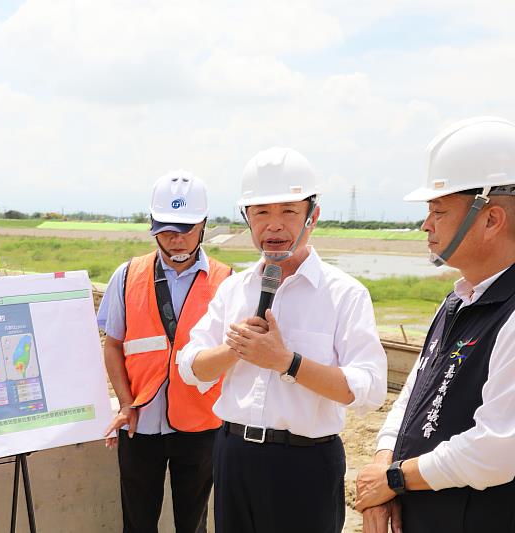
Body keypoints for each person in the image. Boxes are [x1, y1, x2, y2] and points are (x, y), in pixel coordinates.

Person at [177, 147, 387, 533]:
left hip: (305, 462)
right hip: (232, 454)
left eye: (289, 211)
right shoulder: (233, 289)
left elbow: (370, 390)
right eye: (261, 213)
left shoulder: (345, 294)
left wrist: (287, 362)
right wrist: (234, 351)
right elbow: (190, 366)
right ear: (247, 218)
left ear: (313, 215)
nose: (274, 226)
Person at [355, 116, 515, 533]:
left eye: (438, 210)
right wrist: (383, 460)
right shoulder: (460, 298)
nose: (427, 225)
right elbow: (416, 391)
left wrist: (393, 479)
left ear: (491, 218)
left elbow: (498, 449)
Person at [98, 170, 232, 533]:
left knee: (194, 525)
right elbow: (112, 345)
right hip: (140, 426)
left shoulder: (227, 281)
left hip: (202, 426)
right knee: (137, 525)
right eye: (165, 230)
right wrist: (126, 403)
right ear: (152, 224)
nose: (175, 240)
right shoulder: (127, 275)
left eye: (185, 229)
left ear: (203, 223)